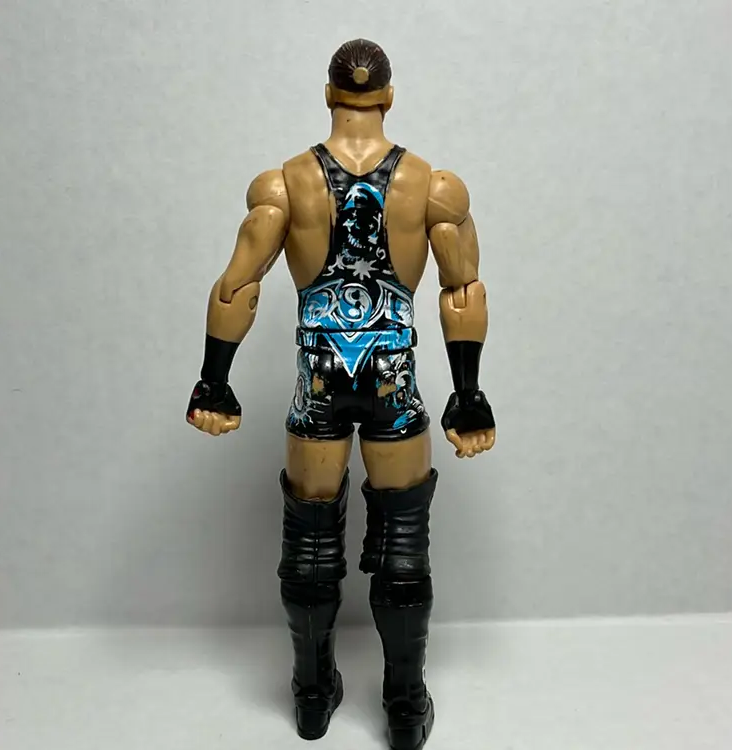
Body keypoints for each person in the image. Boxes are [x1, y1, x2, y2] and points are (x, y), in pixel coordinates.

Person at [186, 38, 496, 750]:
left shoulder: (284, 185)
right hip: (391, 378)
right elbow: (462, 291)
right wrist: (468, 393)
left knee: (311, 540)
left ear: (330, 96)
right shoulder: (432, 186)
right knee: (403, 542)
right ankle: (405, 706)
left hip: (318, 377)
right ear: (388, 98)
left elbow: (237, 286)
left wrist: (215, 381)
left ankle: (311, 696)